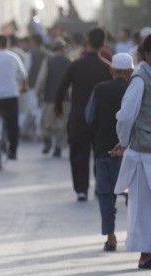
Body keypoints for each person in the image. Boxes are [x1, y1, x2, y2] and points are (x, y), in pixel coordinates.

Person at [55, 28, 112, 202]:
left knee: (79, 152)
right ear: (103, 44)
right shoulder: (107, 68)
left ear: (87, 42)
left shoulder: (75, 65)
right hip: (101, 119)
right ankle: (100, 186)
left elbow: (61, 88)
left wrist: (58, 107)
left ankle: (81, 189)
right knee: (101, 154)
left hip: (79, 116)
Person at [85, 53, 134, 251]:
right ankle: (136, 236)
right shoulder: (136, 90)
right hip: (131, 152)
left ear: (111, 70)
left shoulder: (99, 89)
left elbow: (89, 117)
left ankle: (111, 236)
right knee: (134, 197)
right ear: (131, 71)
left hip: (103, 149)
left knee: (106, 194)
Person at [113, 35, 151, 269]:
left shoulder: (140, 79)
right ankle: (146, 252)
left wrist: (124, 141)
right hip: (144, 153)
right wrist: (125, 141)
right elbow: (127, 117)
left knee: (142, 206)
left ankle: (147, 253)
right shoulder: (140, 78)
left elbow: (126, 117)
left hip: (142, 150)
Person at [35, 37, 70, 158]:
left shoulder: (48, 61)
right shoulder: (69, 61)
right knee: (61, 123)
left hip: (49, 97)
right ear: (62, 49)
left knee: (46, 121)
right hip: (65, 99)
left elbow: (42, 80)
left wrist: (38, 92)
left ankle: (47, 140)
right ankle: (58, 147)